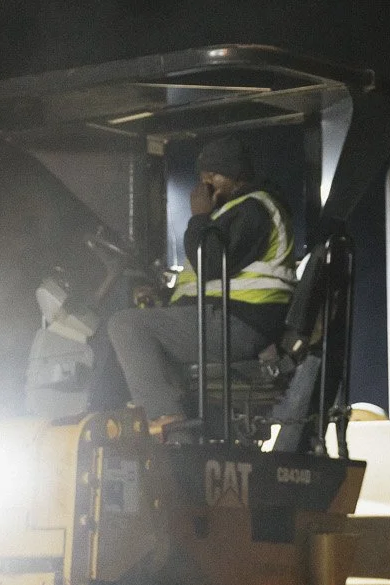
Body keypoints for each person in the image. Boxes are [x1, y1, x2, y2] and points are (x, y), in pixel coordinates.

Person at [105, 135, 296, 439]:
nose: (205, 181)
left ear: (235, 175)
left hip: (239, 324)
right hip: (224, 318)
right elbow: (211, 280)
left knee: (126, 326)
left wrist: (199, 217)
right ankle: (166, 431)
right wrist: (164, 299)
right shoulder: (230, 212)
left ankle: (166, 421)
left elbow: (210, 261)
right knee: (135, 332)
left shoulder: (253, 209)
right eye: (202, 174)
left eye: (214, 174)